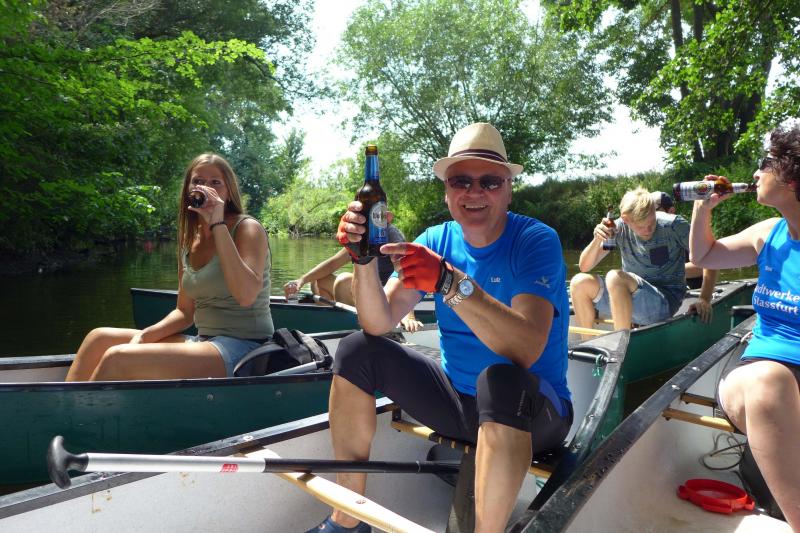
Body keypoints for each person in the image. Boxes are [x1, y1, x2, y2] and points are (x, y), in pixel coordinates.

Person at [306, 123, 572, 533]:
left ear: (508, 189)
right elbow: (378, 321)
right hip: (459, 405)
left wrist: (450, 283)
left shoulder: (535, 240)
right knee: (358, 349)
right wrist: (362, 260)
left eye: (490, 181)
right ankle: (348, 519)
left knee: (500, 378)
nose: (474, 191)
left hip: (534, 417)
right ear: (447, 191)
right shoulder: (435, 240)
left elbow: (525, 349)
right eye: (461, 180)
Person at [65, 153, 273, 381]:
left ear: (229, 192)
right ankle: (70, 403)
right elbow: (184, 312)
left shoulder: (247, 228)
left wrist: (217, 224)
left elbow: (246, 296)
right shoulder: (189, 239)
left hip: (247, 350)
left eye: (215, 182)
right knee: (98, 339)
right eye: (198, 181)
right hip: (204, 342)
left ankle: (86, 405)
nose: (206, 188)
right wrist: (145, 336)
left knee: (118, 357)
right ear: (188, 190)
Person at [689, 123, 800, 531]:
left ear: (791, 177)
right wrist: (703, 208)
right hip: (755, 376)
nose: (755, 172)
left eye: (765, 162)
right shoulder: (767, 234)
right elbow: (704, 255)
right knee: (771, 381)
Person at [570, 187, 715, 332]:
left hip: (665, 302)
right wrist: (597, 239)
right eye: (641, 226)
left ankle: (622, 341)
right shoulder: (617, 228)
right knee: (578, 282)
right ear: (626, 220)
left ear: (653, 210)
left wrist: (705, 298)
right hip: (630, 296)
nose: (648, 230)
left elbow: (711, 256)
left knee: (615, 277)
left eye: (651, 222)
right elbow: (584, 266)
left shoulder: (674, 225)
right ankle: (588, 341)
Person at [283, 222, 423, 331]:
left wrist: (408, 315)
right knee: (318, 281)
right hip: (363, 295)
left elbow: (407, 273)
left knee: (343, 280)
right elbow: (333, 263)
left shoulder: (391, 235)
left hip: (384, 300)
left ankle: (364, 328)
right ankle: (333, 323)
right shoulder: (360, 234)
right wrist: (301, 280)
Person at [651, 191, 706, 289]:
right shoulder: (646, 235)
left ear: (671, 211)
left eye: (654, 211)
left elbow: (707, 264)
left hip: (693, 289)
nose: (648, 217)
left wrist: (666, 273)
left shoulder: (685, 231)